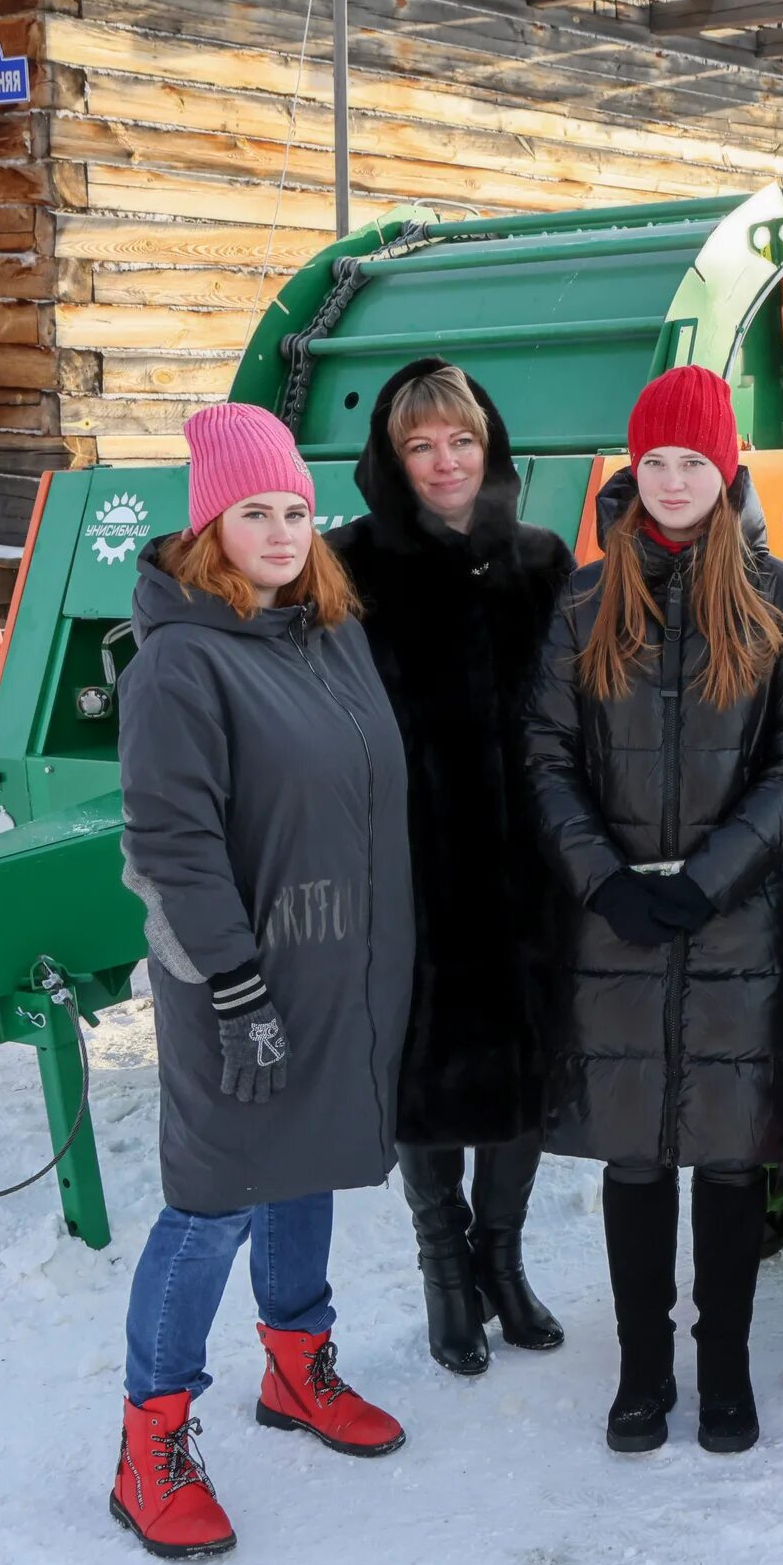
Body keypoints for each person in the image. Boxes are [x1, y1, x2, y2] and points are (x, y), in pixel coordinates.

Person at [107, 400, 415, 1560]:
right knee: (215, 1202)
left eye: (295, 509)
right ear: (209, 528)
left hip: (338, 963)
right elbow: (172, 843)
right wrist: (234, 985)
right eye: (254, 512)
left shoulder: (327, 632)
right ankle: (153, 1442)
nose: (283, 531)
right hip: (238, 974)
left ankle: (296, 1367)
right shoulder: (180, 664)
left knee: (313, 1157)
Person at [525, 366, 783, 1457]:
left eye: (691, 463)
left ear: (727, 471)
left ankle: (721, 1372)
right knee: (636, 1156)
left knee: (730, 1156)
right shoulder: (581, 599)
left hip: (737, 920)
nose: (670, 482)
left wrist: (715, 875)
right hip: (613, 918)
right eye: (653, 462)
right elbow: (546, 752)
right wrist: (601, 876)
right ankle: (642, 1372)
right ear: (631, 468)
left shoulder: (781, 598)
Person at [329, 359, 575, 1376]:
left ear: (490, 446)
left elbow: (576, 709)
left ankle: (501, 1259)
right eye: (420, 444)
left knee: (523, 1067)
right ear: (392, 458)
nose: (443, 461)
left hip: (526, 862)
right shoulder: (348, 565)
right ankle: (443, 1266)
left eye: (459, 440)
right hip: (410, 864)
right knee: (424, 1074)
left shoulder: (539, 559)